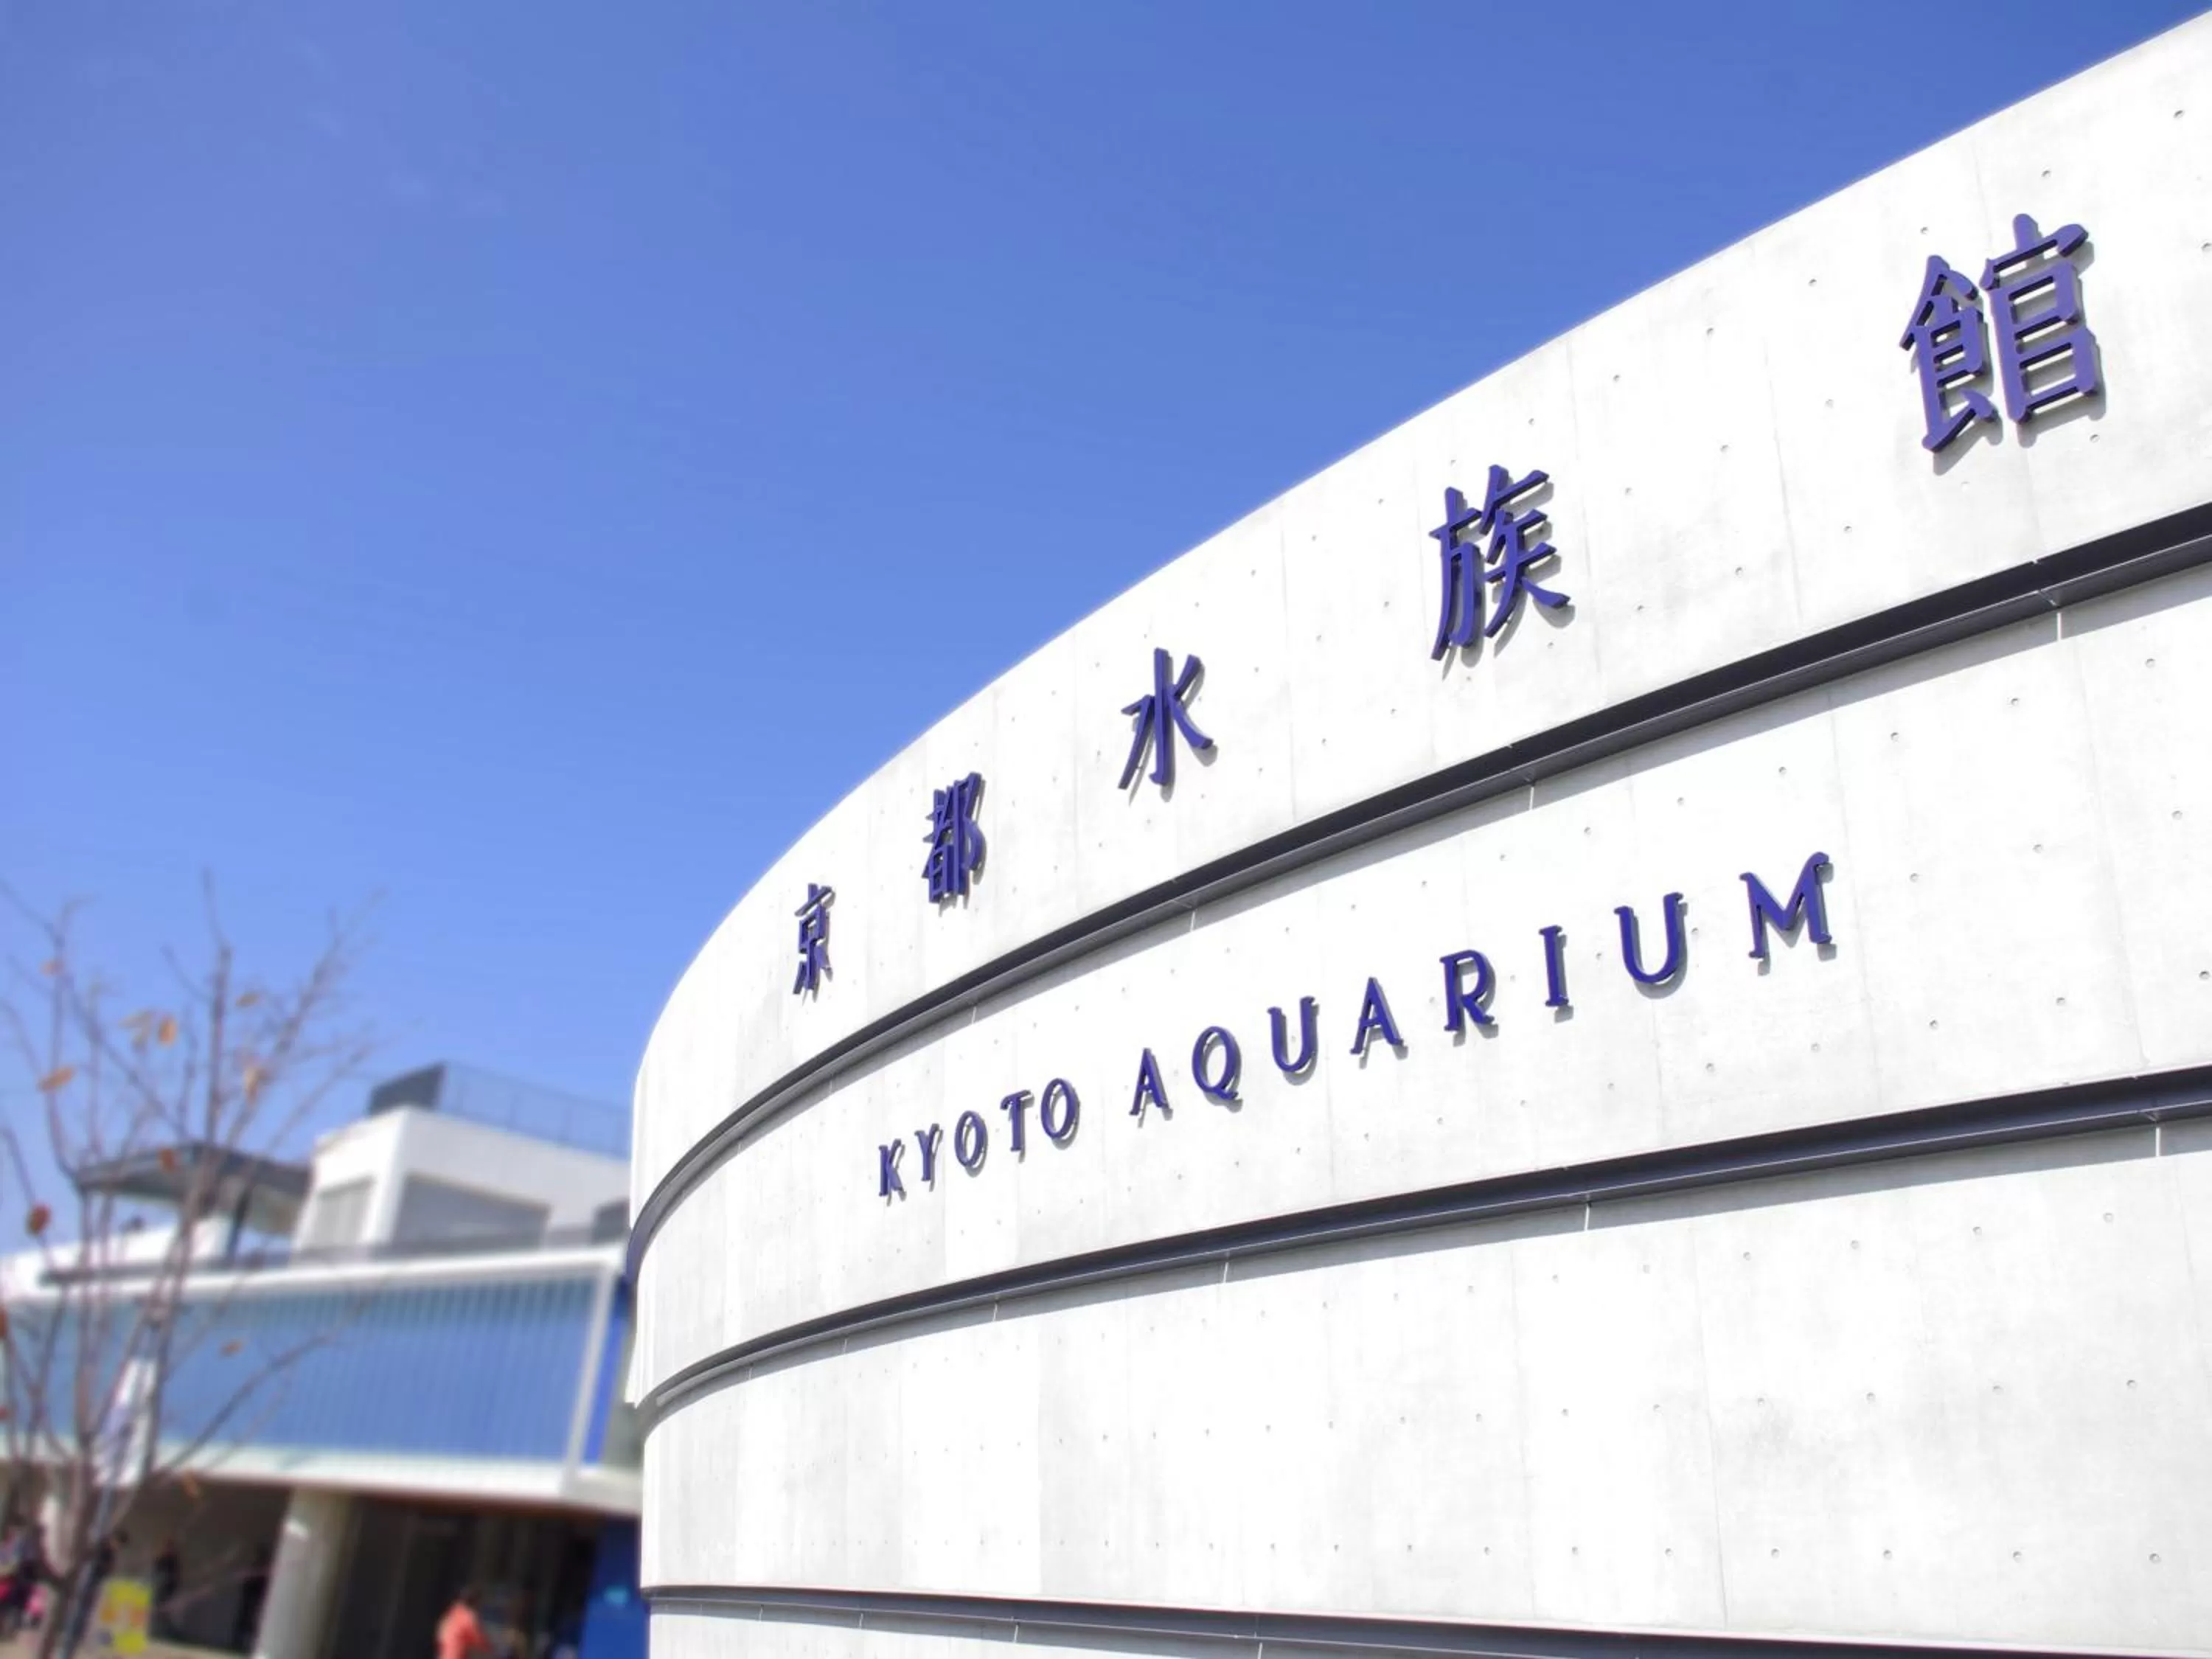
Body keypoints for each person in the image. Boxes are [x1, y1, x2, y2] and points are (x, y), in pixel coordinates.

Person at [230, 1545, 270, 1652]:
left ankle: (247, 1645)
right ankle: (238, 1643)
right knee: (245, 1621)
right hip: (250, 1599)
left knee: (252, 1622)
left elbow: (260, 1587)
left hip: (255, 1600)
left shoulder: (262, 1572)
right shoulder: (255, 1570)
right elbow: (248, 1584)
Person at [437, 1585, 494, 1659]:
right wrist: (491, 1649)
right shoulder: (468, 1616)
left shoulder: (451, 1614)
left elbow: (441, 1635)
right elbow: (478, 1638)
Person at [150, 1537, 181, 1640]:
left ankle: (165, 1633)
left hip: (168, 1590)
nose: (169, 1550)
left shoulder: (173, 1561)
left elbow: (175, 1576)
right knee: (158, 1610)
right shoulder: (161, 1559)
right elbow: (155, 1571)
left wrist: (173, 1587)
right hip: (160, 1589)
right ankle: (156, 1632)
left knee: (165, 1612)